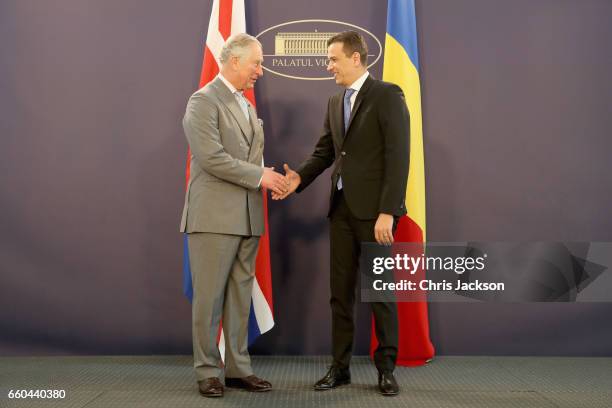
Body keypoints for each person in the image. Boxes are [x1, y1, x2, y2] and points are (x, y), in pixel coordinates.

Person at [273, 31, 410, 396]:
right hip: (341, 212)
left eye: (333, 59)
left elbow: (399, 157)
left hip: (375, 214)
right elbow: (326, 152)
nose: (328, 65)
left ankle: (386, 370)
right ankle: (340, 368)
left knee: (380, 291)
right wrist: (298, 177)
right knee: (340, 294)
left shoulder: (387, 95)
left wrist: (388, 212)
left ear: (355, 58)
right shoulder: (335, 101)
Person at [180, 33, 287, 398]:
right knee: (208, 298)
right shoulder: (203, 101)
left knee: (240, 297)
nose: (261, 69)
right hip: (212, 218)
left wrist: (269, 177)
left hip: (247, 215)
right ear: (234, 61)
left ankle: (239, 368)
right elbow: (211, 158)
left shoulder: (245, 104)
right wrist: (261, 176)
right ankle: (207, 371)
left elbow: (247, 158)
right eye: (256, 62)